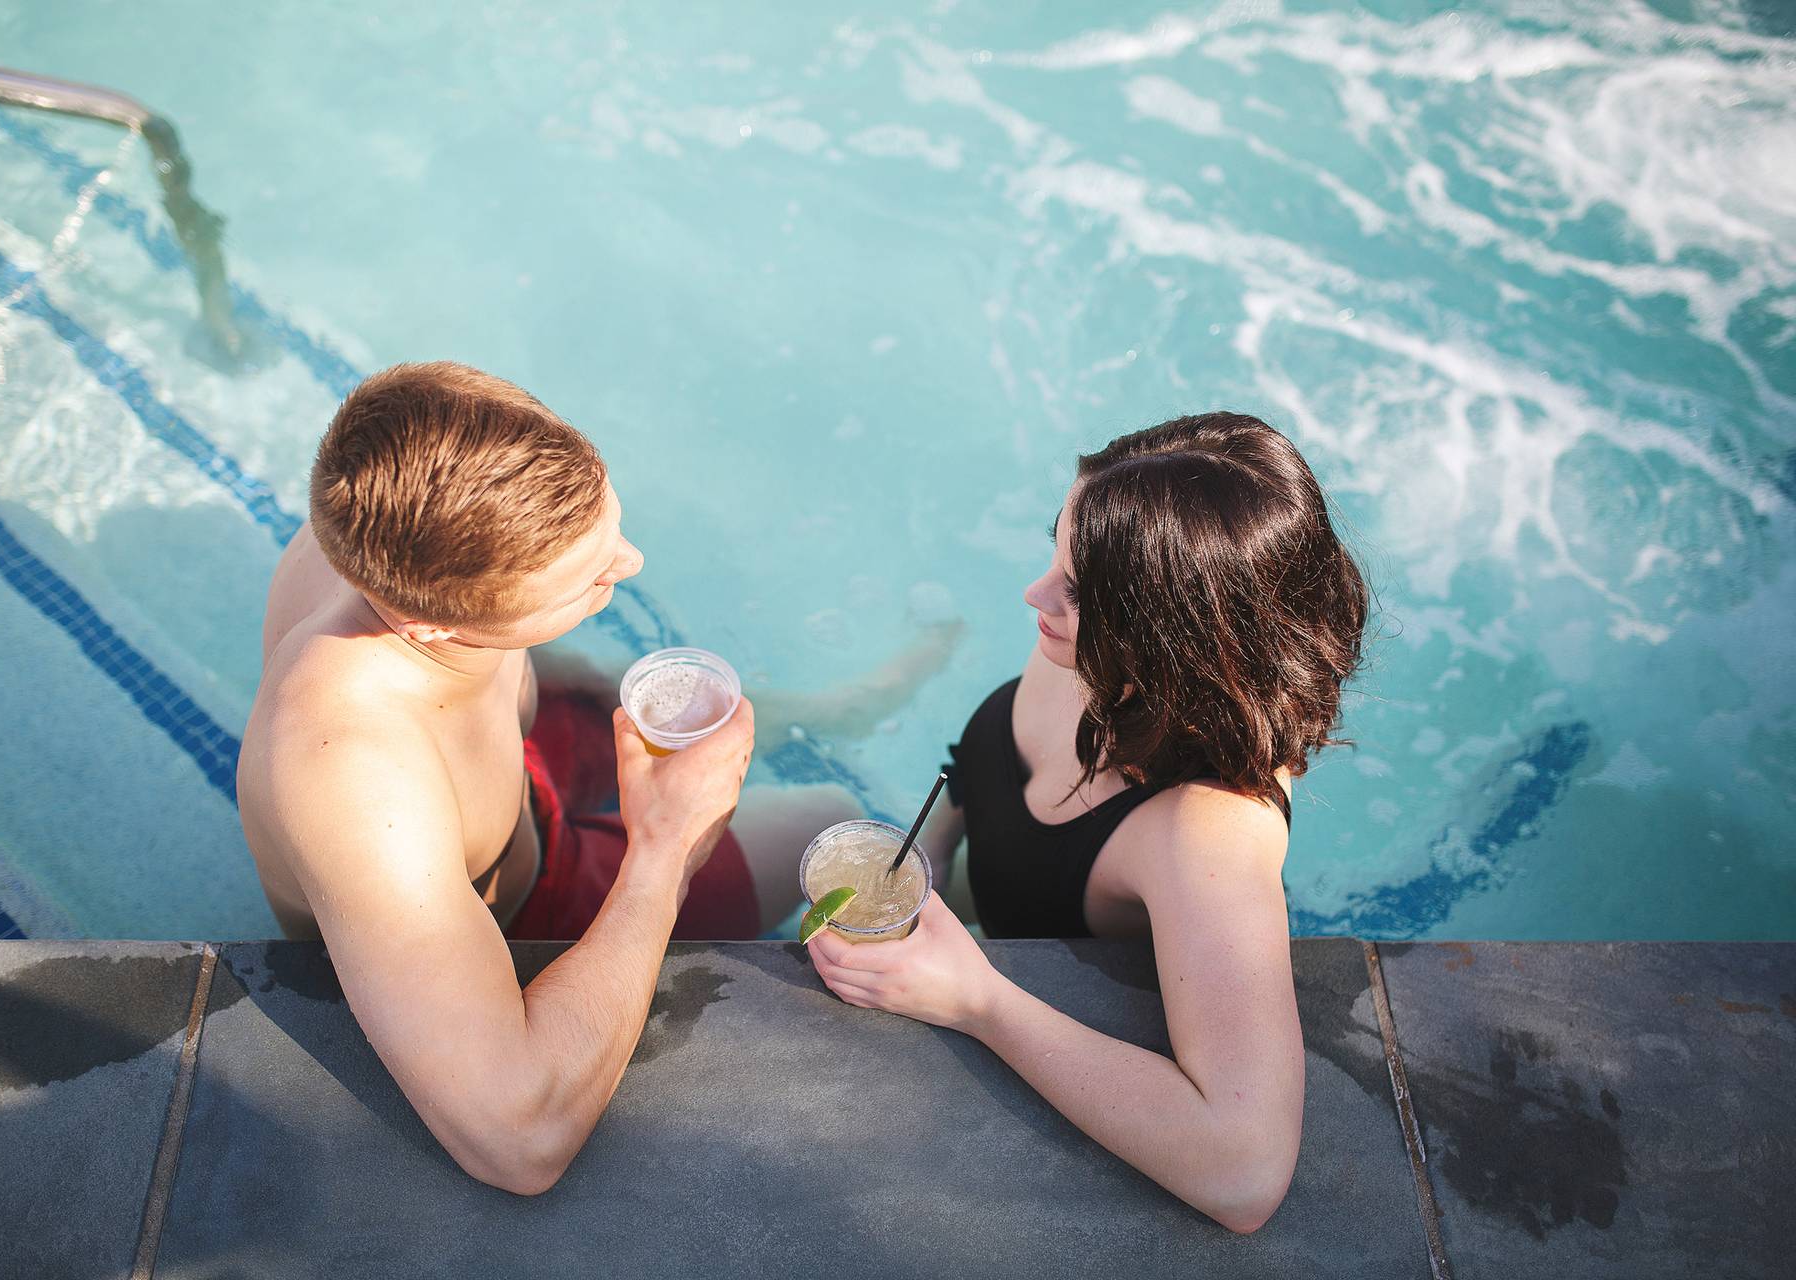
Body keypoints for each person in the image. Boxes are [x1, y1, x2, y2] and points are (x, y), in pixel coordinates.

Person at [236, 361, 951, 1195]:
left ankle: (830, 707)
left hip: (519, 768)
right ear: (432, 624)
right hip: (510, 910)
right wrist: (666, 847)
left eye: (610, 527)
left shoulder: (406, 515)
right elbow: (520, 1138)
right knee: (825, 815)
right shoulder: (357, 781)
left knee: (666, 698)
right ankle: (956, 870)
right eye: (592, 579)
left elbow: (506, 646)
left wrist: (576, 666)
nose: (633, 562)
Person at [806, 413, 1368, 1234]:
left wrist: (979, 1002)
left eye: (1077, 589)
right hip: (979, 876)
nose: (1035, 596)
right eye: (1057, 553)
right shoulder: (1093, 646)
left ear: (1171, 639)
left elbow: (1244, 1170)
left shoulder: (1208, 836)